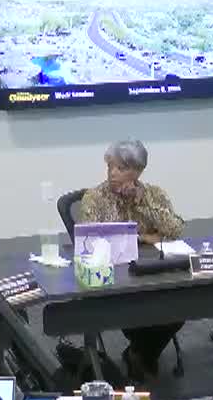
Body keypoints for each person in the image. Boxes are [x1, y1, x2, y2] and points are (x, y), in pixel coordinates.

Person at [76, 139, 185, 381]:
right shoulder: (94, 198)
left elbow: (175, 229)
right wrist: (147, 237)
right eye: (110, 166)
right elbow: (90, 240)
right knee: (135, 308)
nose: (113, 173)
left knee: (180, 305)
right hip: (115, 278)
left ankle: (139, 352)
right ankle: (144, 355)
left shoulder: (154, 194)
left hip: (152, 273)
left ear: (138, 171)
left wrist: (141, 203)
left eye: (121, 168)